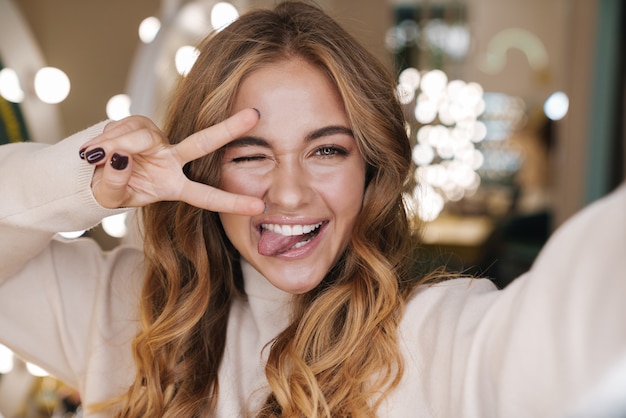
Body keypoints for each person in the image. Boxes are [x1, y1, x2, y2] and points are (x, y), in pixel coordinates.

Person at [0, 1, 625, 417]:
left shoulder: (434, 339)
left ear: (369, 168)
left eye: (326, 149)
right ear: (202, 169)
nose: (291, 193)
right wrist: (87, 176)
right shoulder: (124, 313)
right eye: (251, 154)